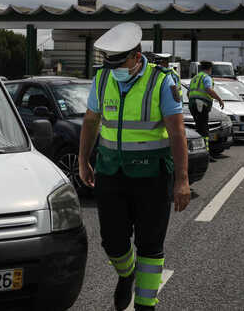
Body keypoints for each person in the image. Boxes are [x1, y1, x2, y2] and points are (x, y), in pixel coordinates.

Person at [78, 22, 190, 311]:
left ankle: (145, 304)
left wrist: (182, 180)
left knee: (150, 246)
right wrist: (83, 161)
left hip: (152, 176)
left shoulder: (162, 81)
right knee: (112, 241)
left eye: (119, 62)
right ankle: (126, 274)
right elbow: (91, 121)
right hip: (111, 172)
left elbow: (177, 133)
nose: (113, 68)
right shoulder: (102, 80)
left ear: (137, 56)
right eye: (108, 62)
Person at [187, 61, 225, 156]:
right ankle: (205, 153)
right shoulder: (206, 77)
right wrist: (219, 99)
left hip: (192, 104)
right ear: (210, 69)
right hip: (201, 104)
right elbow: (208, 89)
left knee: (199, 127)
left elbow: (188, 93)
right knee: (204, 130)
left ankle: (198, 150)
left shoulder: (195, 78)